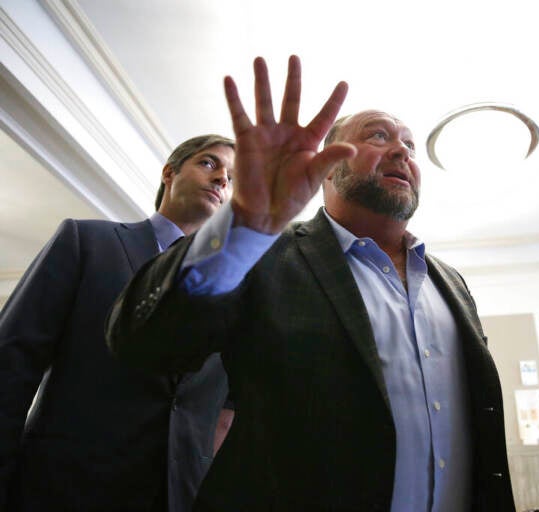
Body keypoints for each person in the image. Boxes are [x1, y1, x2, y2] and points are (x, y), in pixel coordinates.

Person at [106, 55, 515, 511]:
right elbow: (144, 343)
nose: (402, 152)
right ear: (326, 165)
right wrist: (241, 223)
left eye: (410, 145)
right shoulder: (261, 255)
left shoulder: (452, 284)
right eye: (379, 135)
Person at [0, 135, 236, 512]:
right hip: (63, 490)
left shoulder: (235, 290)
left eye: (232, 177)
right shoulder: (87, 240)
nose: (223, 179)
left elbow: (222, 411)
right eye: (210, 163)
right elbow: (12, 363)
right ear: (169, 172)